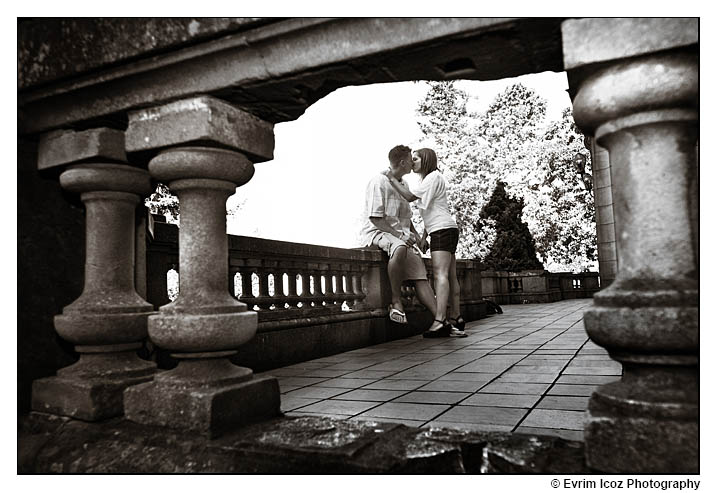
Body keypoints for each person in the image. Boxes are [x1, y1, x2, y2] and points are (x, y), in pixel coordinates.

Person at [382, 147, 466, 338]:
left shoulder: (432, 177)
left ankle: (439, 321)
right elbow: (432, 210)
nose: (413, 163)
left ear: (426, 160)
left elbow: (410, 196)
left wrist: (391, 178)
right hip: (445, 228)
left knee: (440, 275)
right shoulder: (433, 178)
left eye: (416, 159)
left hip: (442, 231)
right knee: (451, 276)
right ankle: (456, 317)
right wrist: (423, 237)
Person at [359, 145, 438, 327]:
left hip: (400, 235)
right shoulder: (378, 181)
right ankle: (396, 302)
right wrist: (401, 237)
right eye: (411, 159)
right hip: (378, 232)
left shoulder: (404, 184)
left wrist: (417, 236)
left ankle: (441, 319)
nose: (413, 162)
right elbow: (375, 218)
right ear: (402, 162)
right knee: (400, 247)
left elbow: (406, 218)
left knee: (420, 273)